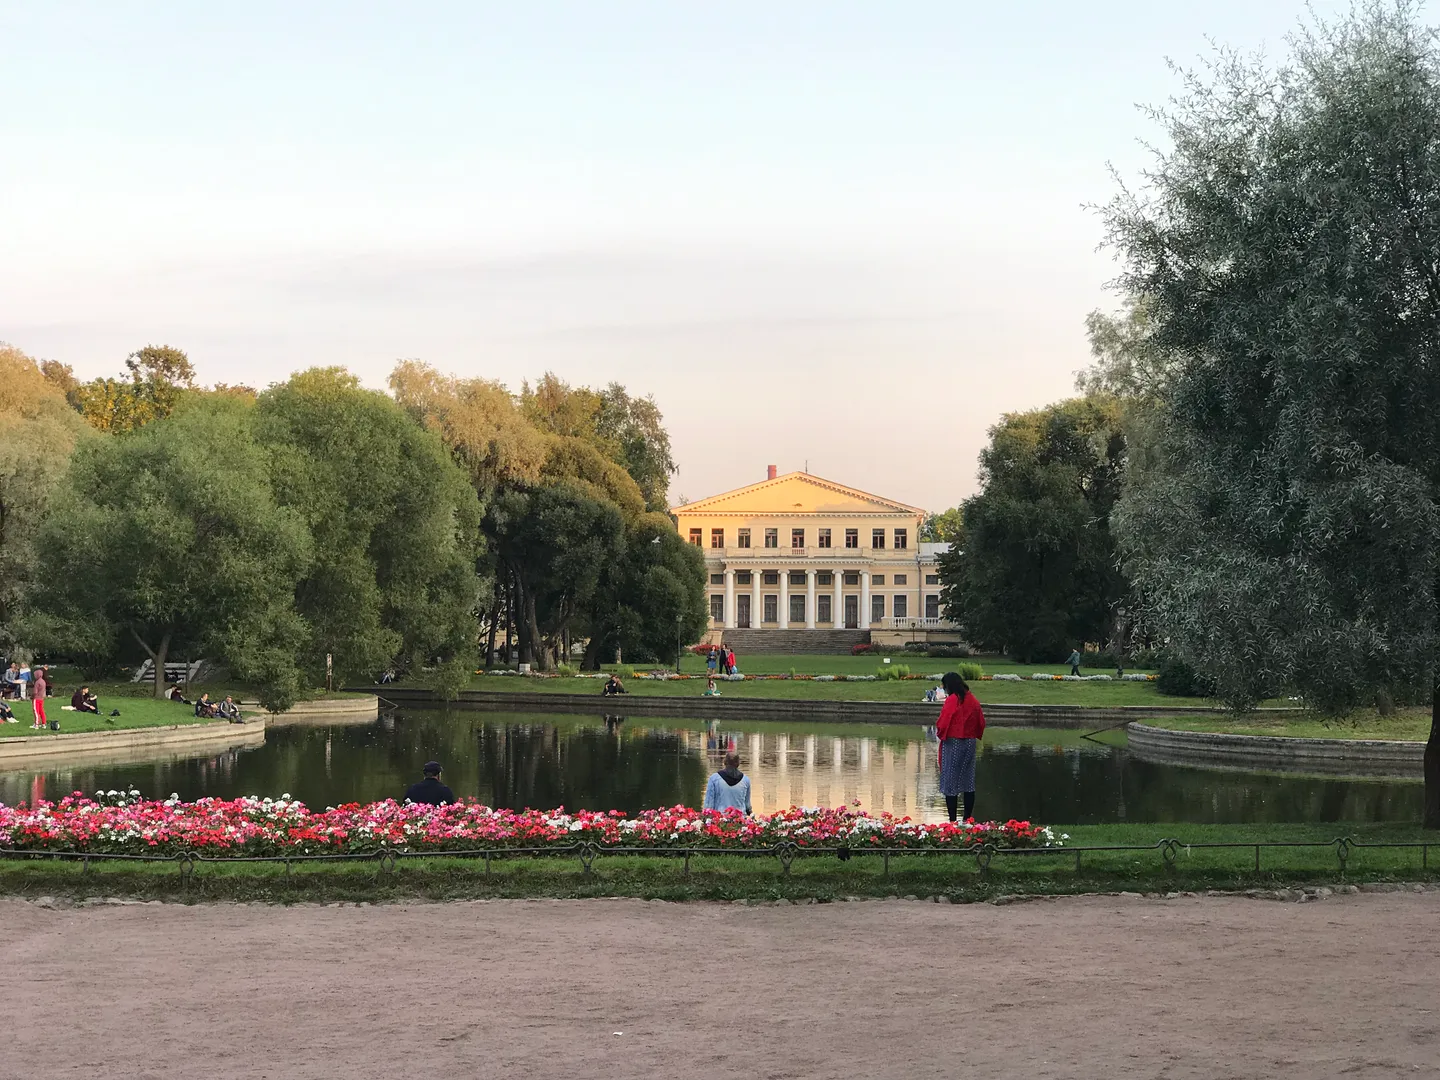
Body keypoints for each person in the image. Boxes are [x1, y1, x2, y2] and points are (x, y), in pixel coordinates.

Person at [935, 671, 986, 823]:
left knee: (950, 782)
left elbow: (943, 721)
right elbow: (981, 722)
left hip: (953, 742)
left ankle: (952, 821)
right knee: (967, 781)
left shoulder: (952, 700)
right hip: (969, 743)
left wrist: (940, 732)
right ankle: (967, 819)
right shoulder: (972, 699)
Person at [702, 751, 752, 815]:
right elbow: (747, 805)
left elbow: (708, 804)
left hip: (720, 820)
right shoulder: (746, 780)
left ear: (724, 762)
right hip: (739, 820)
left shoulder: (714, 779)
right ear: (738, 763)